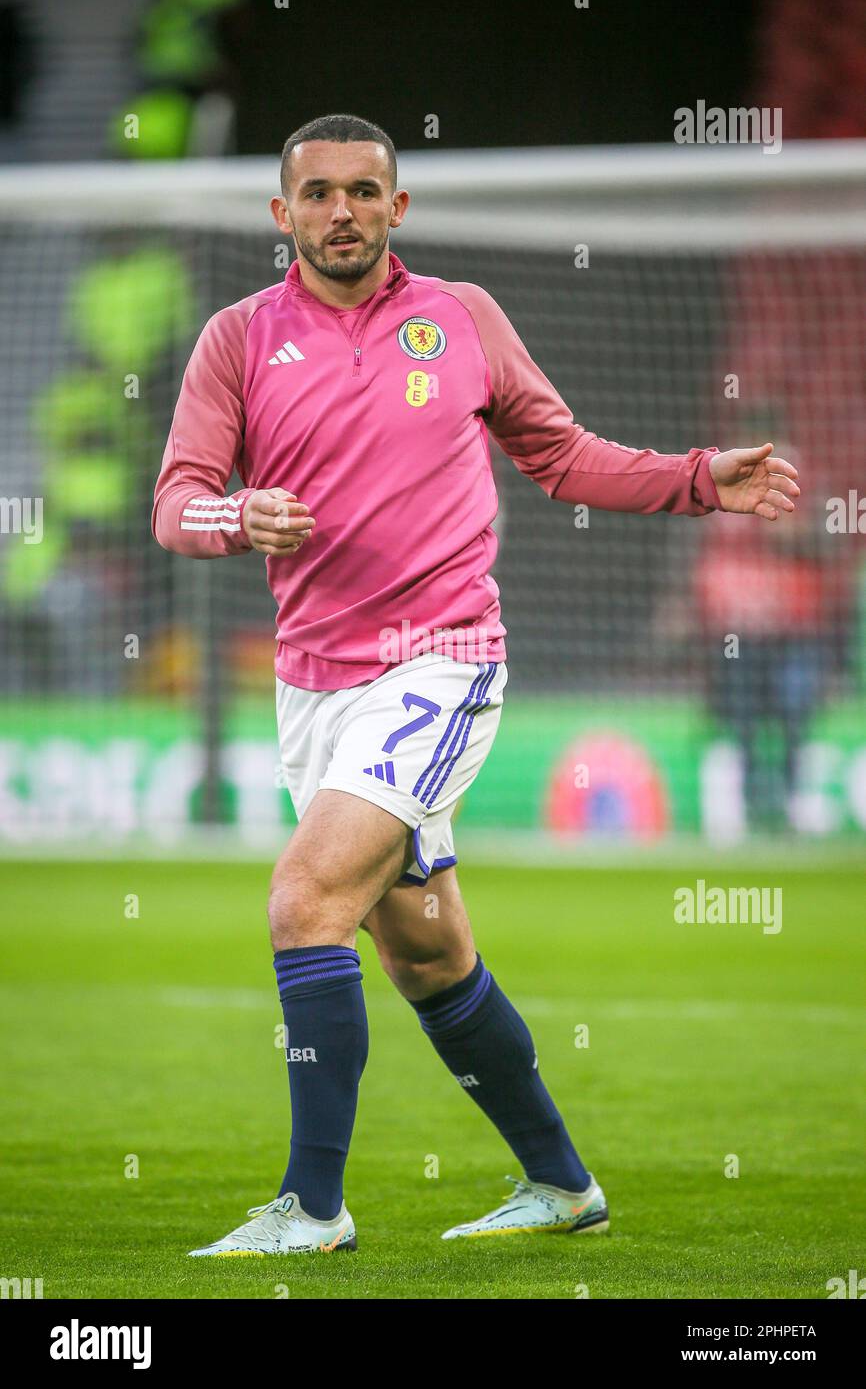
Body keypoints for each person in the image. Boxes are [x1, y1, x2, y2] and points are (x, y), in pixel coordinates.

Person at [152, 113, 800, 1256]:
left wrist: (701, 476)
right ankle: (560, 1181)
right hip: (314, 687)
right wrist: (234, 514)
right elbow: (176, 502)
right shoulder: (236, 340)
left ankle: (312, 1206)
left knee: (304, 900)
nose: (340, 211)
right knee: (425, 954)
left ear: (398, 208)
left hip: (442, 659)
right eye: (317, 193)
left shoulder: (457, 319)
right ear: (280, 214)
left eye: (363, 191)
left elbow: (563, 456)